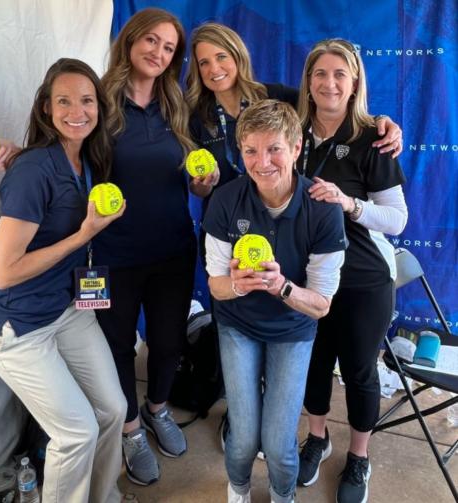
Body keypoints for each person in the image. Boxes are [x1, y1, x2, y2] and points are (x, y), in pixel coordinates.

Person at [0, 58, 127, 503]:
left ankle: (102, 496)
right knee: (76, 431)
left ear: (99, 106)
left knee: (114, 409)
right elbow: (4, 273)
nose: (76, 111)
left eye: (86, 100)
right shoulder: (32, 170)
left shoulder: (87, 161)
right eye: (64, 101)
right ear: (46, 108)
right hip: (18, 328)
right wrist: (82, 236)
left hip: (66, 310)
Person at [203, 98, 347, 503]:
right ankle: (239, 490)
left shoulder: (322, 210)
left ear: (297, 148)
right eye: (250, 150)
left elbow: (321, 304)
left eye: (273, 149)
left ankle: (284, 495)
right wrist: (240, 285)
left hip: (293, 328)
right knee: (244, 437)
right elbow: (215, 286)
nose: (261, 162)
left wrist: (282, 287)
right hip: (239, 325)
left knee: (280, 444)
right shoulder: (225, 202)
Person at [295, 39, 408, 503]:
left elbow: (398, 220)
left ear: (355, 81)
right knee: (314, 363)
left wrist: (348, 203)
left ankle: (359, 457)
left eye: (340, 73)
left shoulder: (372, 137)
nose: (329, 82)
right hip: (307, 275)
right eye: (320, 73)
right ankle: (317, 440)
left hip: (362, 279)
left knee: (359, 370)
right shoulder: (293, 129)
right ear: (308, 81)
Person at [94, 8, 197, 486]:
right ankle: (131, 429)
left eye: (169, 47)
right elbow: (58, 148)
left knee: (169, 341)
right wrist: (11, 153)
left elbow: (197, 180)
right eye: (151, 41)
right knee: (116, 345)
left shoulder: (180, 104)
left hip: (173, 250)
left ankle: (158, 408)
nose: (158, 52)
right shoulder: (99, 103)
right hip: (113, 254)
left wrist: (207, 181)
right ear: (130, 41)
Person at [185, 22, 402, 206]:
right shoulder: (197, 117)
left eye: (221, 57)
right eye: (204, 62)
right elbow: (199, 190)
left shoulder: (274, 96)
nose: (214, 69)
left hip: (276, 222)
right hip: (223, 224)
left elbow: (329, 101)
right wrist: (202, 185)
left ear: (238, 56)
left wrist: (379, 122)